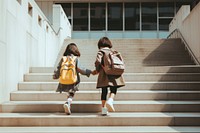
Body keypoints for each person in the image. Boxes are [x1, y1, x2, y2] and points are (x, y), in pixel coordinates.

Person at [53, 43, 93, 115]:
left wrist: (55, 75)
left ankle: (68, 104)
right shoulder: (75, 59)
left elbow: (58, 68)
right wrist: (89, 72)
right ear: (75, 50)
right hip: (73, 80)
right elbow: (80, 69)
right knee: (72, 93)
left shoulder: (63, 58)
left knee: (69, 91)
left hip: (64, 79)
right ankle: (68, 102)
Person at [93, 37, 125, 116]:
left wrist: (97, 70)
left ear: (100, 45)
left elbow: (98, 61)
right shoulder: (114, 52)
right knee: (114, 88)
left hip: (105, 73)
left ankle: (104, 109)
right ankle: (110, 100)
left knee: (104, 90)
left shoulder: (101, 51)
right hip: (114, 72)